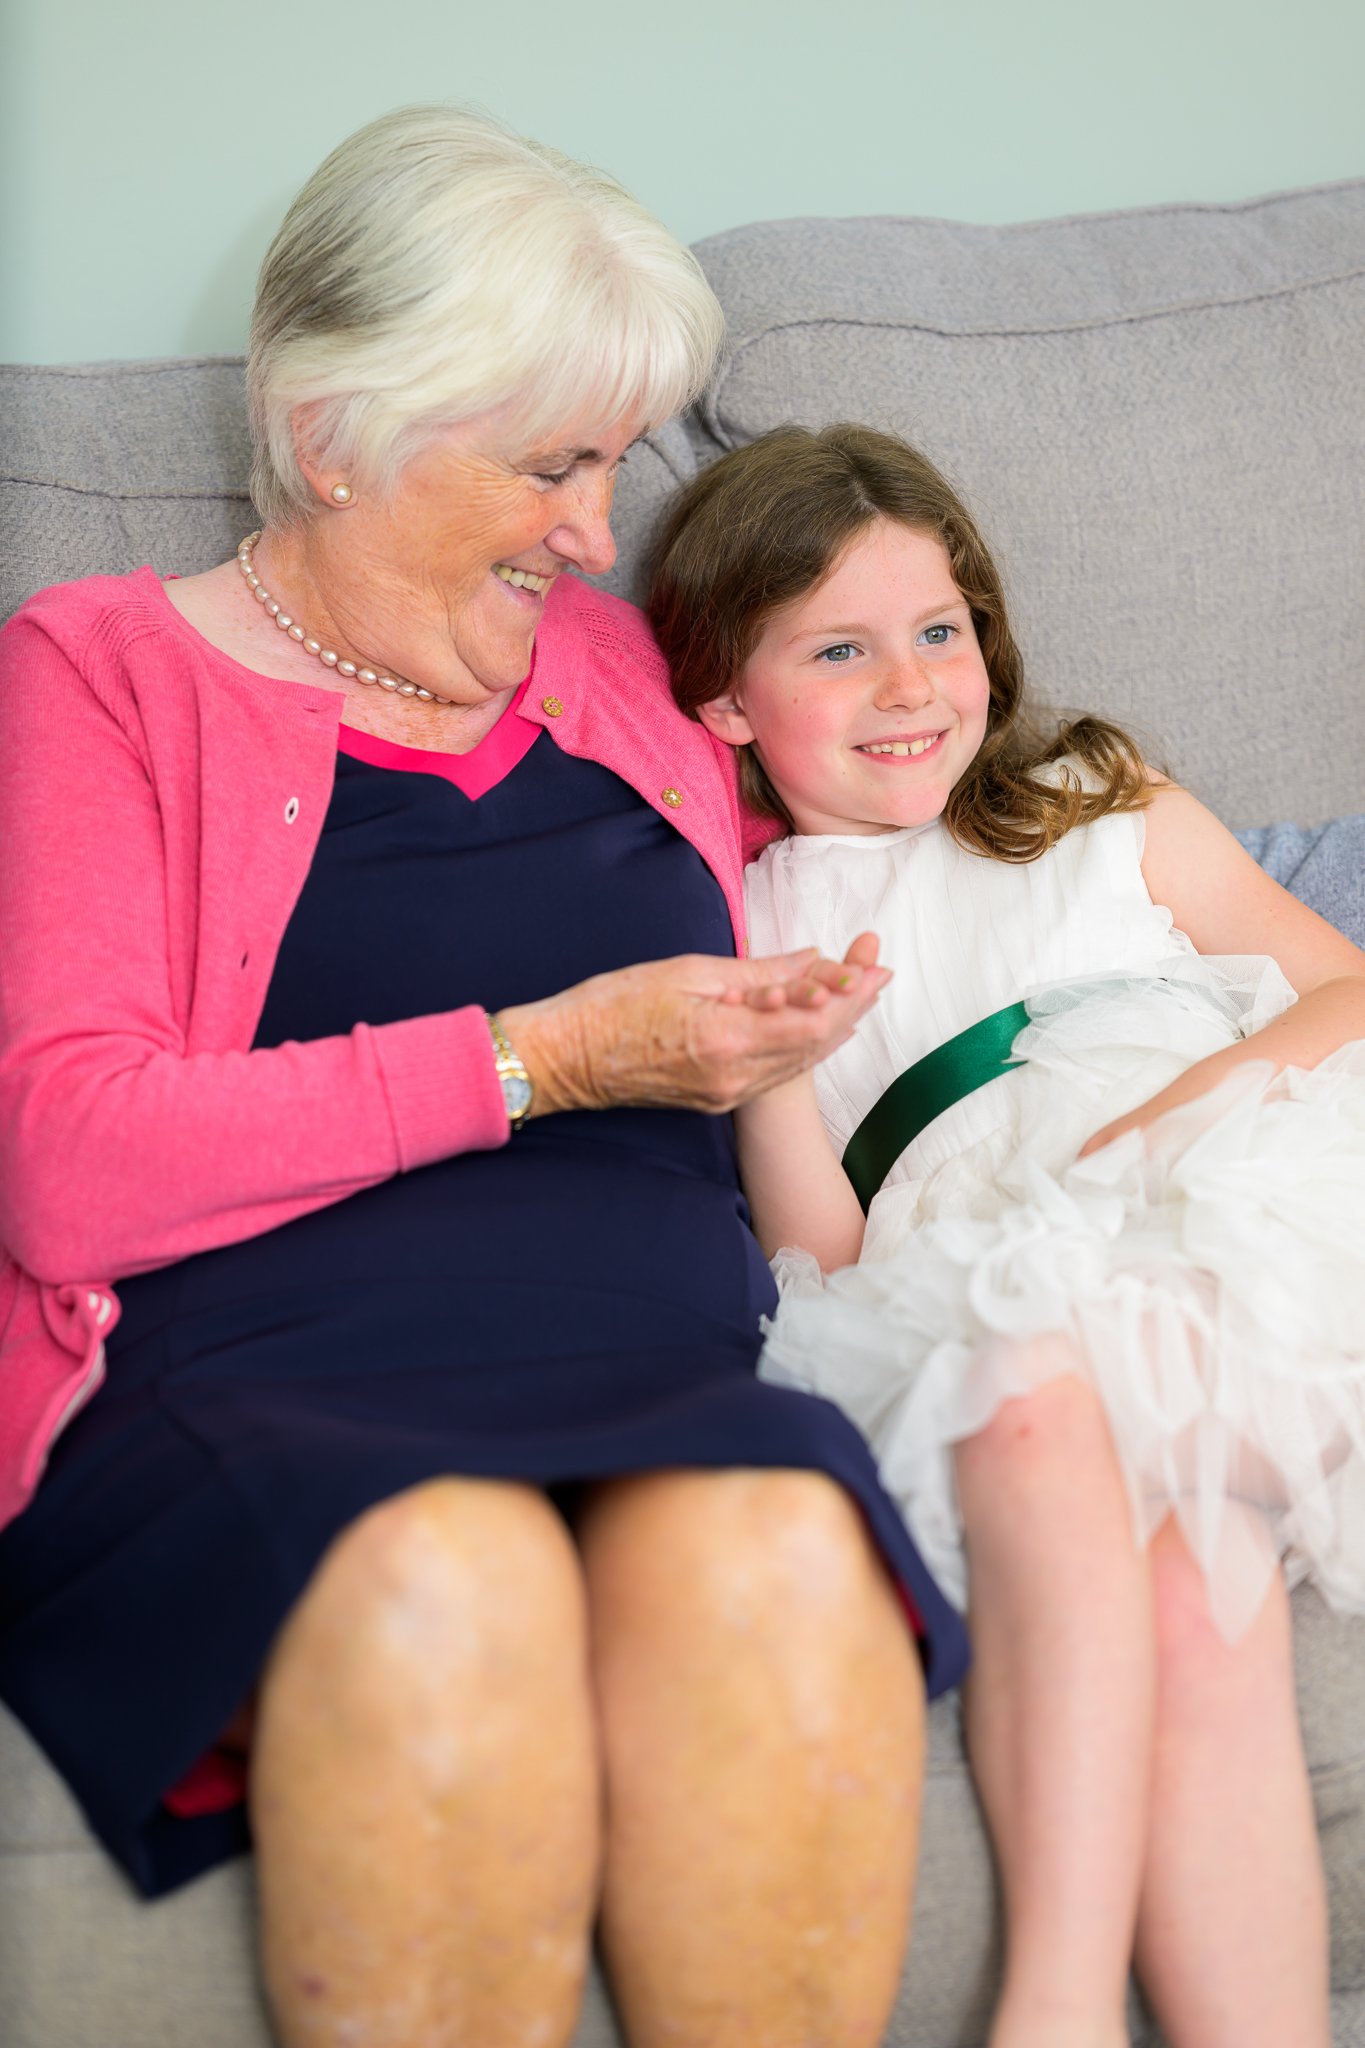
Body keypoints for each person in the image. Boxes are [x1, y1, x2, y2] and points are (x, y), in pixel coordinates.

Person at [0, 120, 970, 2048]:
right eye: (548, 467)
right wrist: (542, 1059)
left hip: (661, 1365)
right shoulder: (100, 671)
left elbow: (931, 782)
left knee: (785, 1548)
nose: (599, 536)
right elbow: (66, 1162)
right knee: (448, 1573)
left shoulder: (620, 667)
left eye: (613, 462)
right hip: (264, 1383)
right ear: (330, 437)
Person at [648, 421, 1365, 2048]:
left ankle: (1051, 2012)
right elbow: (826, 1264)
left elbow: (1346, 989)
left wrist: (1172, 1119)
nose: (909, 686)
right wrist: (772, 1061)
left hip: (1249, 1196)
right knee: (1185, 1590)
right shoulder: (748, 928)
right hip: (985, 1280)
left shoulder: (1097, 802)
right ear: (725, 703)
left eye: (938, 629)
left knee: (1044, 1392)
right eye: (838, 650)